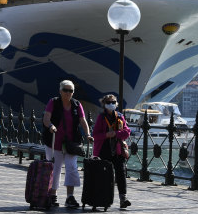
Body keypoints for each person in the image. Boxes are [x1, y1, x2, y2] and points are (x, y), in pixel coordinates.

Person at [42, 80, 93, 208]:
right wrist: (51, 126)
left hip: (71, 143)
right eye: (65, 90)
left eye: (71, 91)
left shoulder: (76, 104)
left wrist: (87, 134)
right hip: (54, 142)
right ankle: (52, 195)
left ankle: (70, 197)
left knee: (72, 168)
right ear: (60, 91)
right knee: (55, 169)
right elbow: (46, 118)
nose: (68, 93)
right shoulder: (53, 102)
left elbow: (83, 121)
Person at [92, 94, 131, 209]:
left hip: (118, 149)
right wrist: (106, 135)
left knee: (121, 173)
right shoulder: (101, 117)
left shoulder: (120, 116)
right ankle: (103, 199)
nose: (111, 104)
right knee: (104, 176)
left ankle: (123, 198)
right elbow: (96, 135)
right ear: (104, 104)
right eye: (109, 102)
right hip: (104, 149)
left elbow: (127, 131)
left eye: (113, 102)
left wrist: (116, 134)